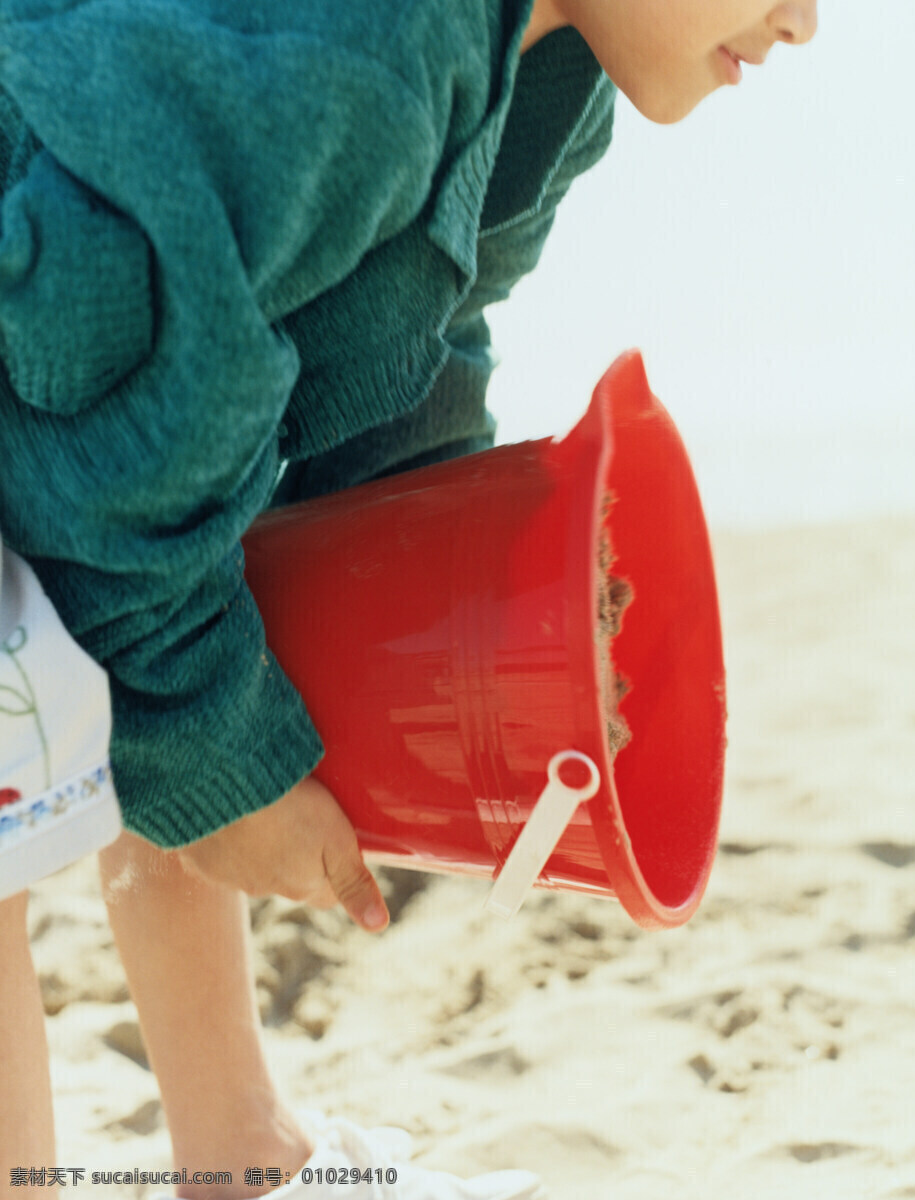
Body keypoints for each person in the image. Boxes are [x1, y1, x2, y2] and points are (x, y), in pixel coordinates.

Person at [0, 1, 818, 1197]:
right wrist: (222, 759)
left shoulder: (554, 74)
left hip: (108, 367)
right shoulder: (361, 50)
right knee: (76, 736)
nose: (804, 23)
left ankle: (241, 1152)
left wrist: (423, 545)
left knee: (216, 619)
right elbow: (113, 381)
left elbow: (419, 331)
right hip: (54, 319)